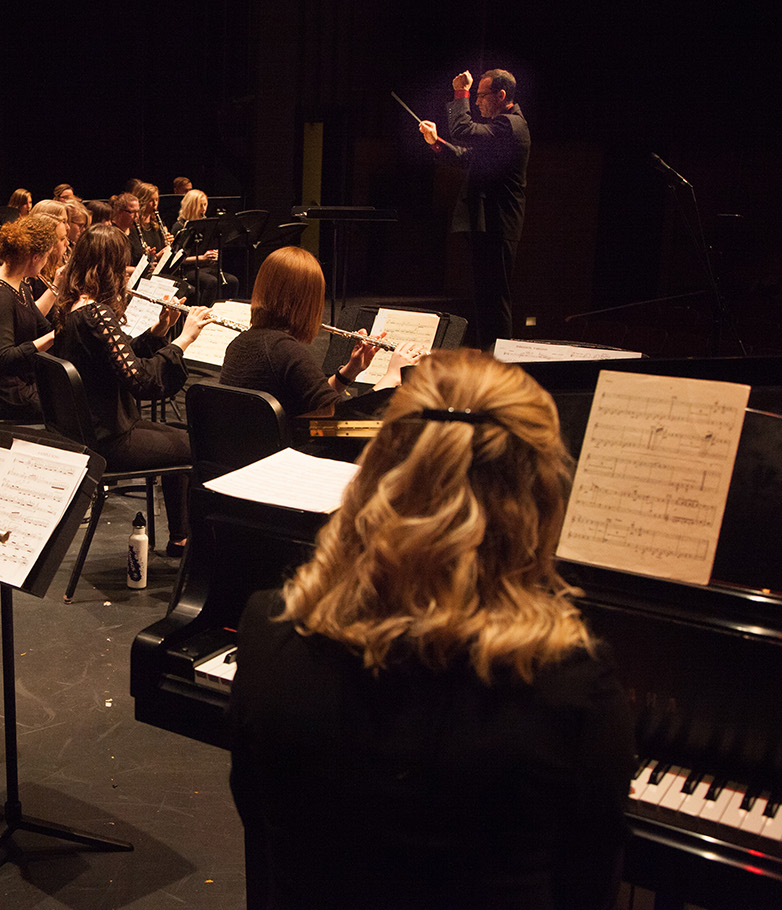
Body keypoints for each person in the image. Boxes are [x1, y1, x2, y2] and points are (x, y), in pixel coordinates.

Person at [229, 348, 636, 910]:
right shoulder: (572, 689)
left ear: (375, 473)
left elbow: (260, 820)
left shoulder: (268, 633)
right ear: (539, 500)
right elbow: (586, 888)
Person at [53, 223, 214, 554]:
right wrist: (183, 340)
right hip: (109, 440)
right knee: (193, 444)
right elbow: (142, 381)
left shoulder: (74, 307)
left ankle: (180, 537)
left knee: (175, 435)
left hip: (91, 431)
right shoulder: (98, 314)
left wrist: (160, 329)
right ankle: (200, 543)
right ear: (111, 267)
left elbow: (119, 354)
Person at [220, 246, 423, 417]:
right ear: (307, 301)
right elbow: (345, 421)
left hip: (245, 457)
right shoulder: (284, 350)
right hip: (288, 456)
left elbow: (317, 404)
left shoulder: (240, 343)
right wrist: (392, 376)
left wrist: (351, 371)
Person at [419, 68, 530, 348]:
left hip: (500, 224)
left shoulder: (510, 125)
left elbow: (462, 130)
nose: (477, 102)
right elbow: (465, 157)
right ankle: (489, 356)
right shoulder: (498, 130)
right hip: (488, 224)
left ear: (501, 95)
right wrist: (436, 143)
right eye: (475, 96)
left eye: (481, 96)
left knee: (495, 297)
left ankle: (500, 364)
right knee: (485, 297)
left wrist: (461, 92)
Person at [0, 214, 64, 420]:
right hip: (5, 394)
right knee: (82, 404)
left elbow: (45, 327)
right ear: (35, 257)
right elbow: (5, 358)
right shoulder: (0, 295)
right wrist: (51, 338)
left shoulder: (20, 285)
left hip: (19, 384)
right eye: (47, 256)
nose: (46, 262)